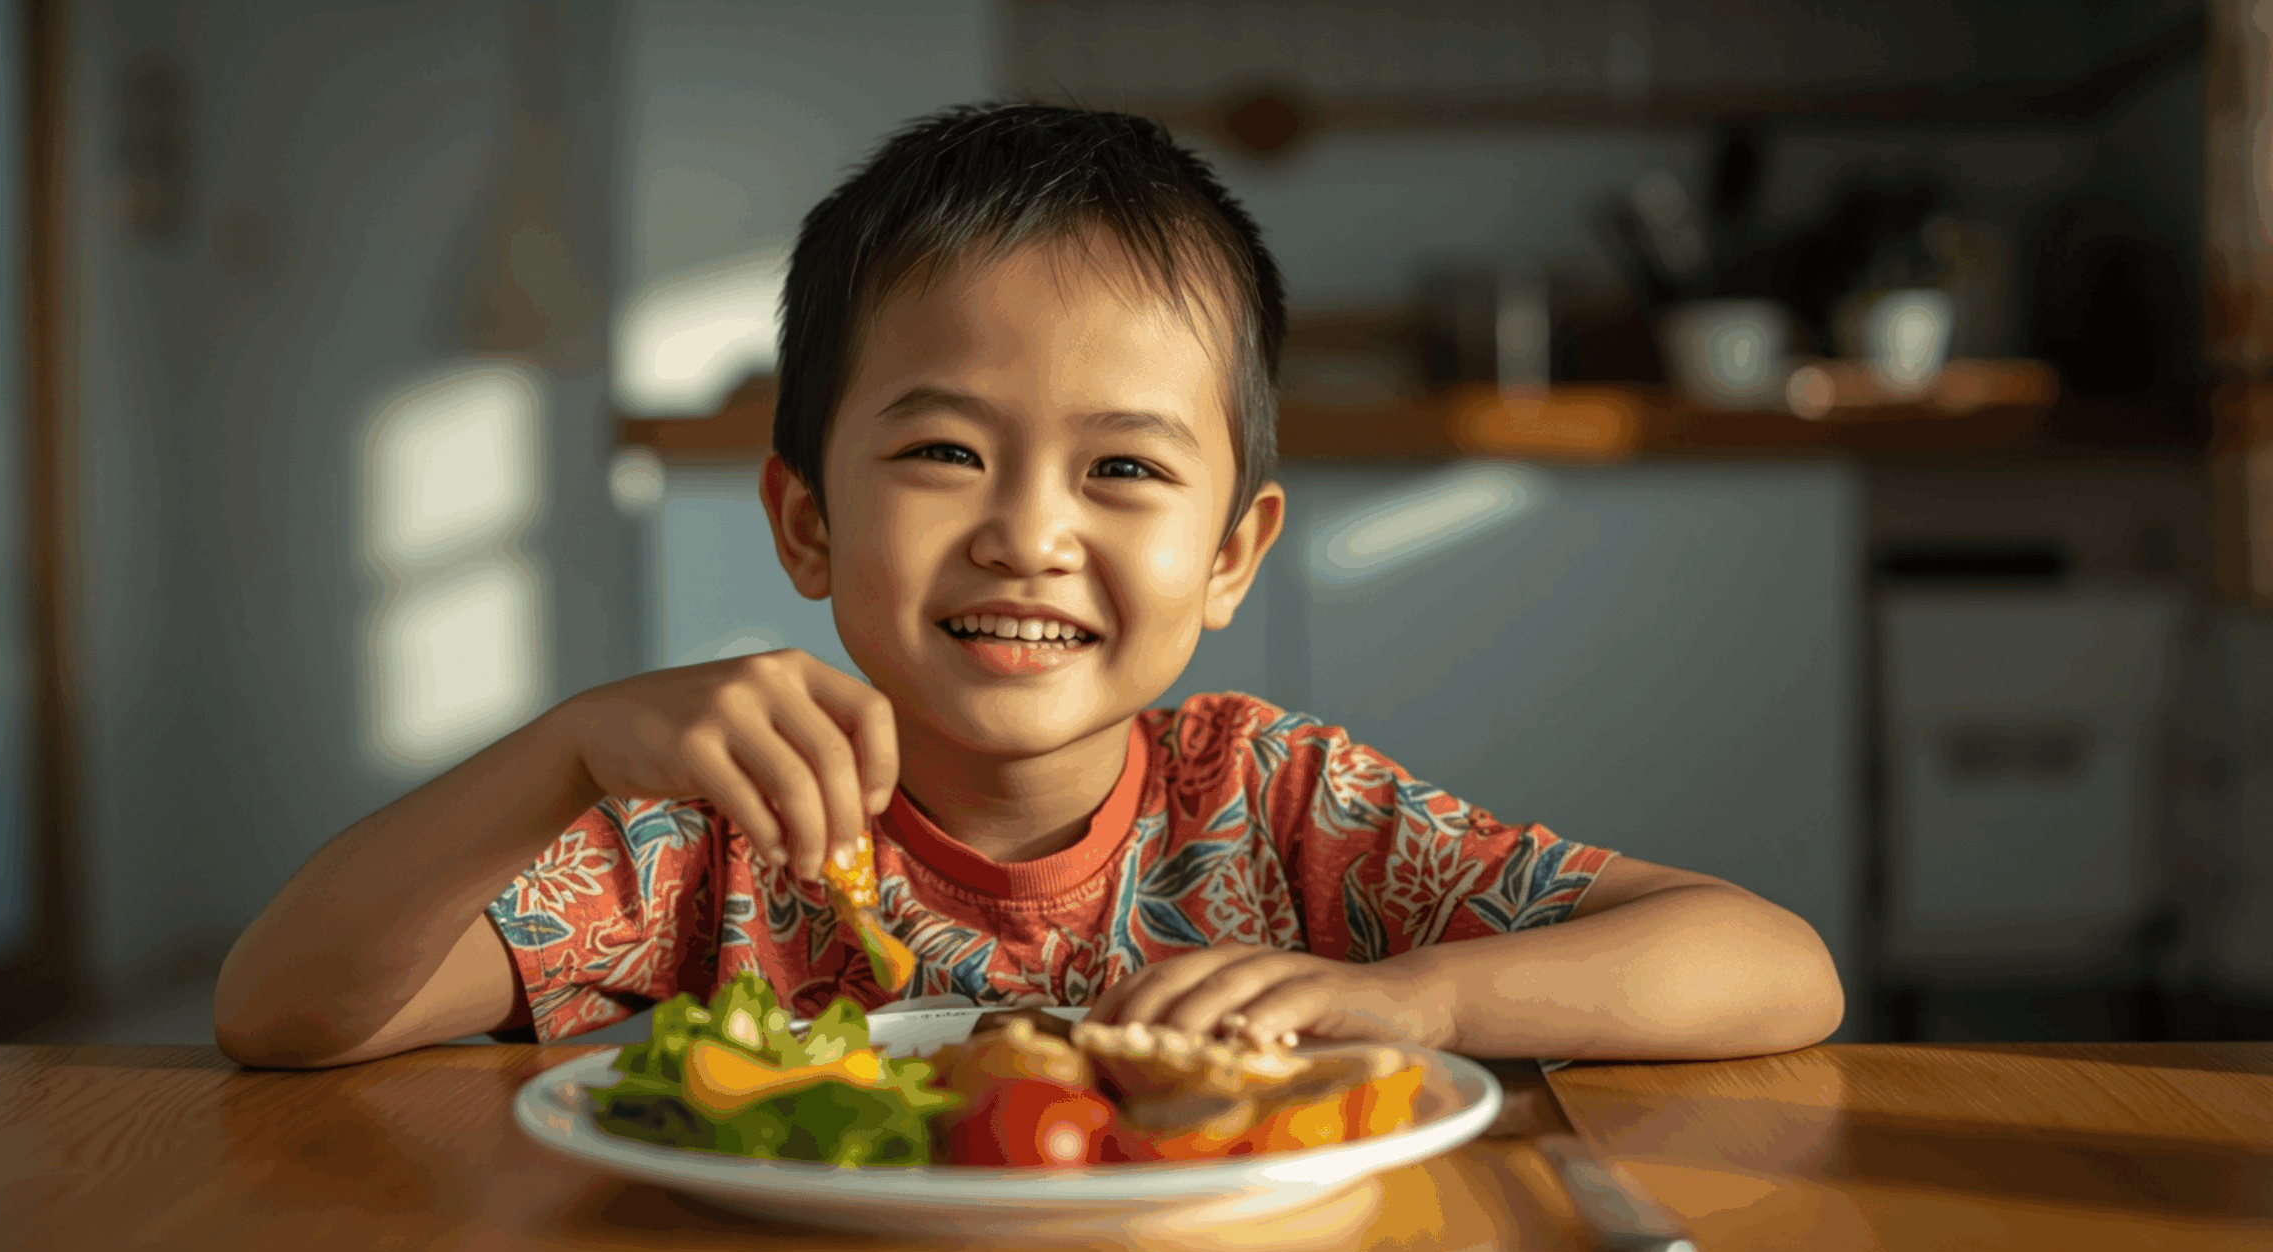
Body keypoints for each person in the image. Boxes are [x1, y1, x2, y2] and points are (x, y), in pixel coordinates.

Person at [214, 104, 1843, 1069]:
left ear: (1230, 557)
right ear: (804, 524)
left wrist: (1422, 998)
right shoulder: (716, 836)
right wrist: (563, 752)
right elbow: (285, 1016)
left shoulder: (1277, 803)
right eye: (942, 454)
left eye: (1123, 469)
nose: (1028, 535)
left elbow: (1778, 966)